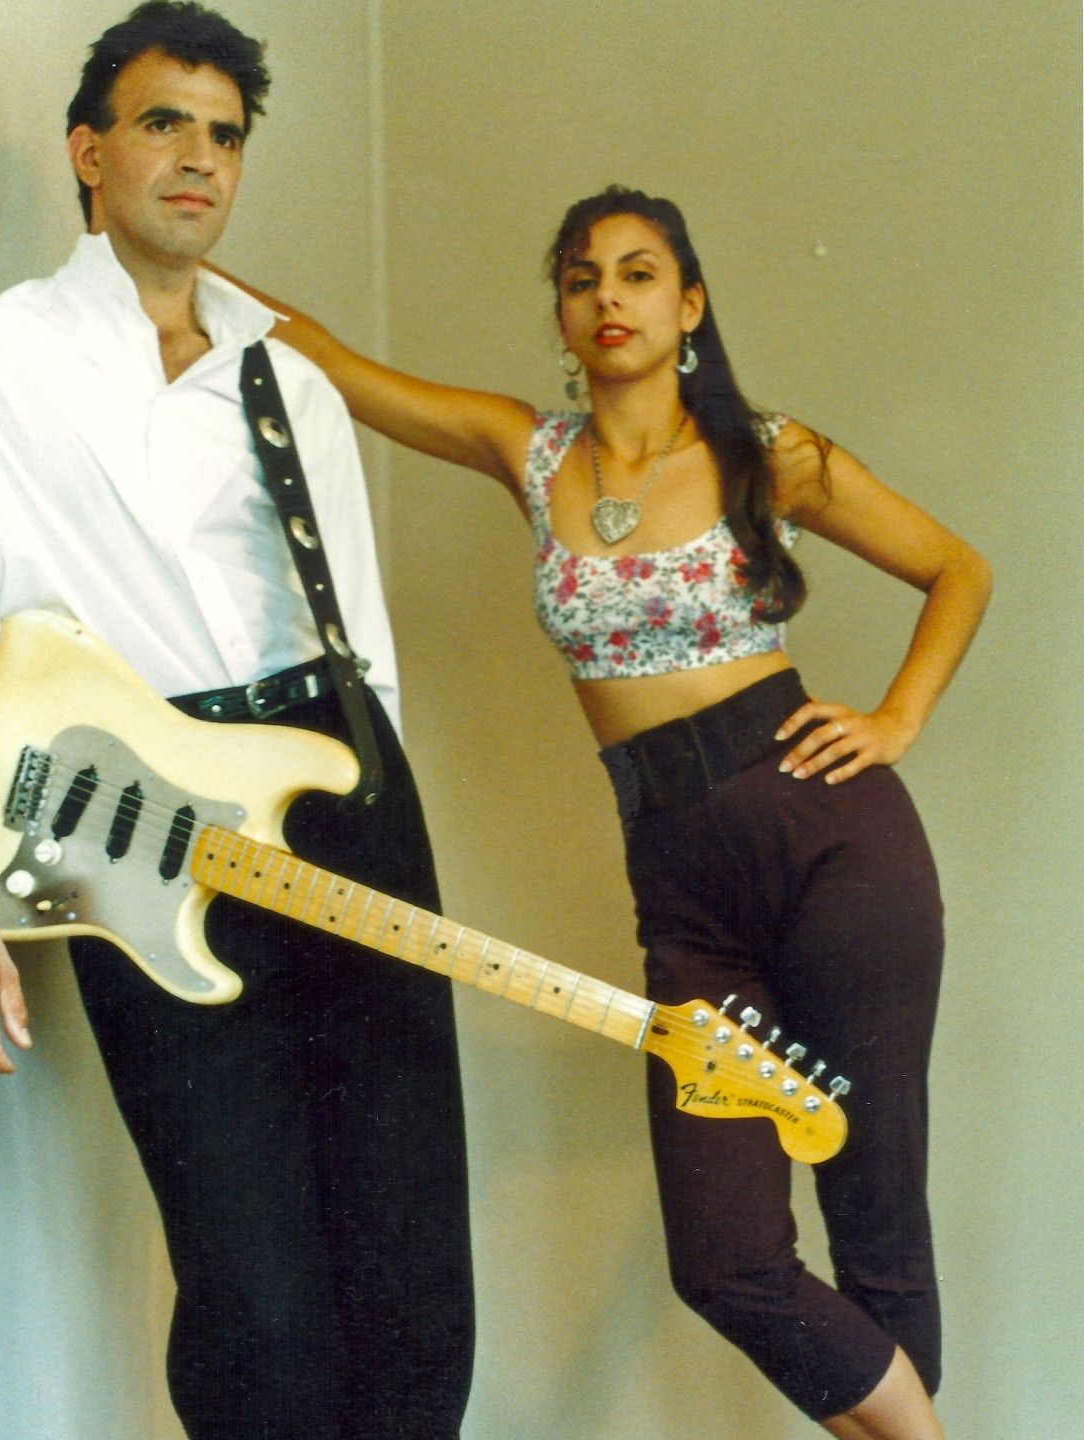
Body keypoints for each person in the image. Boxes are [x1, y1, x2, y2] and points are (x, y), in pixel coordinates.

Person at [234, 185, 987, 1440]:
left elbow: (954, 568)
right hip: (684, 890)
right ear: (564, 314)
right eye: (581, 279)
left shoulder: (765, 452)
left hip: (829, 842)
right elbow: (329, 361)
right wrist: (182, 279)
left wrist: (895, 719)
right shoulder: (528, 455)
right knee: (725, 1253)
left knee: (874, 1204)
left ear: (687, 304)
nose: (607, 299)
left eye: (638, 275)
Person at [0, 6, 474, 1436]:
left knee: (409, 1266)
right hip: (140, 841)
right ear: (89, 150)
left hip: (346, 806)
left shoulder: (288, 378)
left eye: (224, 134)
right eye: (163, 123)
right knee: (251, 1289)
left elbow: (363, 654)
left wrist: (379, 818)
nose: (198, 158)